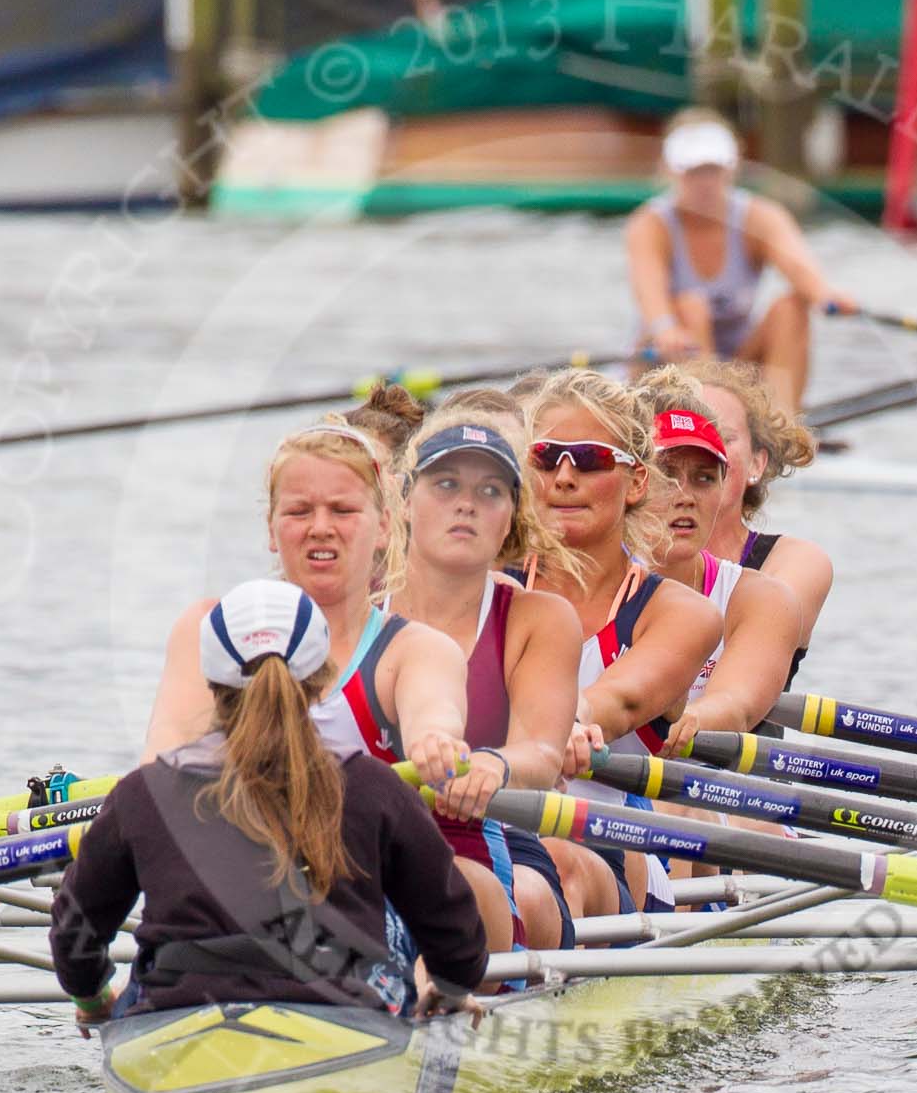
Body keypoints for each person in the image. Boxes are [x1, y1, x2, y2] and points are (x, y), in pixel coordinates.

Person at [140, 421, 521, 962]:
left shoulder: (415, 649)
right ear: (272, 531)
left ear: (386, 526)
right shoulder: (208, 629)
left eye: (342, 511)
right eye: (299, 512)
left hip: (409, 882)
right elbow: (165, 762)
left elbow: (432, 710)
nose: (320, 528)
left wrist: (435, 741)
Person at [50, 579, 488, 1032]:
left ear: (212, 682)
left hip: (174, 1021)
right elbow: (455, 927)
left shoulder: (144, 794)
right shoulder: (374, 787)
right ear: (321, 679)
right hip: (346, 1022)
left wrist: (94, 996)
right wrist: (451, 988)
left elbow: (73, 930)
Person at [375, 391, 621, 947]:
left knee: (526, 893)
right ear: (405, 501)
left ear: (511, 519)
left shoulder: (538, 618)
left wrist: (494, 764)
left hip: (485, 835)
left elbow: (540, 751)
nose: (466, 504)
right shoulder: (352, 607)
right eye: (446, 485)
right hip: (353, 840)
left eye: (489, 491)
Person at [518, 368, 722, 911]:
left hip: (612, 850)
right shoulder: (491, 590)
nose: (564, 477)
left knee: (556, 856)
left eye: (589, 459)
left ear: (635, 482)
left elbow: (620, 699)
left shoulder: (680, 613)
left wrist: (572, 721)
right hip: (489, 832)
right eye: (546, 457)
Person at [624, 108, 860, 414]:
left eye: (713, 170)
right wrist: (664, 327)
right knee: (691, 305)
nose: (704, 182)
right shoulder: (650, 224)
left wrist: (824, 294)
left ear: (732, 166)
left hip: (735, 361)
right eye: (693, 171)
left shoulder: (760, 217)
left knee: (792, 306)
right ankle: (711, 421)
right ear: (670, 170)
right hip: (665, 363)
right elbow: (649, 291)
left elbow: (798, 266)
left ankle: (782, 425)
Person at [635, 371, 801, 753]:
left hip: (700, 791)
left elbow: (737, 706)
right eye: (667, 474)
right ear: (632, 482)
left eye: (704, 478)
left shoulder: (762, 598)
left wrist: (690, 719)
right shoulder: (581, 582)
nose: (685, 496)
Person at [689, 359, 833, 726]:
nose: (708, 451)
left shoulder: (797, 562)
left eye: (724, 436)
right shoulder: (620, 558)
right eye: (692, 436)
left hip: (734, 769)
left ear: (756, 462)